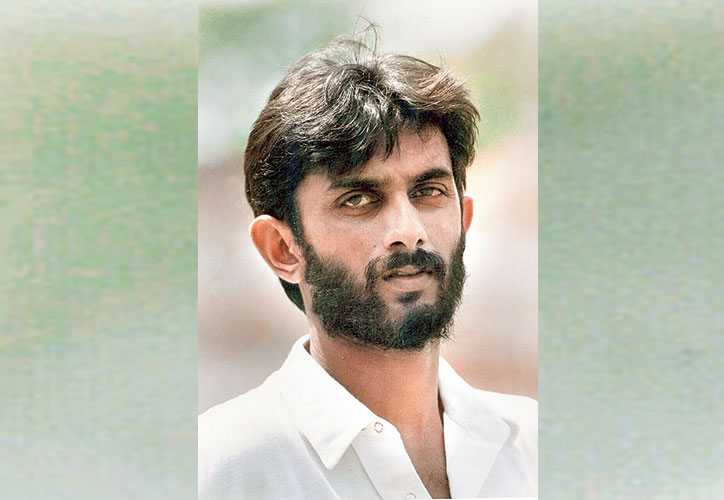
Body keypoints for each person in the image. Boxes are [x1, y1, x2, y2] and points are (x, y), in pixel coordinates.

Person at [199, 31, 537, 500]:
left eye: (429, 192)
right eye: (359, 199)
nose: (409, 230)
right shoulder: (217, 470)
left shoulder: (536, 448)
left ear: (464, 219)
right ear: (283, 250)